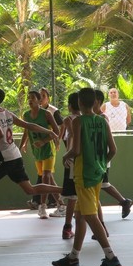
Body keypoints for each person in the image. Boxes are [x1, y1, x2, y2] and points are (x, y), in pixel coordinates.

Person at [0, 88, 62, 237]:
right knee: (30, 189)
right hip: (15, 156)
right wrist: (48, 131)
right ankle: (66, 189)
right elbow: (28, 125)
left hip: (3, 158)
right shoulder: (7, 113)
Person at [52, 87, 122, 266]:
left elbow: (75, 150)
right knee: (80, 215)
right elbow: (113, 150)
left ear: (80, 103)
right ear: (95, 103)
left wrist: (64, 156)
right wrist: (101, 163)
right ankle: (73, 258)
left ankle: (110, 257)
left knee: (90, 215)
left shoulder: (79, 122)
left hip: (83, 174)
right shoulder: (102, 120)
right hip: (98, 172)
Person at [19, 90, 61, 219]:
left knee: (46, 176)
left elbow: (56, 130)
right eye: (29, 98)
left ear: (39, 101)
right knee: (48, 178)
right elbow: (27, 130)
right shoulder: (26, 115)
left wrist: (44, 141)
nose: (30, 100)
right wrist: (23, 144)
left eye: (33, 98)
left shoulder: (47, 114)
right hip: (36, 150)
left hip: (48, 148)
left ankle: (42, 206)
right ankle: (62, 204)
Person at [94, 89, 133, 220]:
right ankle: (124, 202)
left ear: (97, 102)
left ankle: (95, 218)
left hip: (101, 156)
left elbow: (111, 146)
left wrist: (104, 160)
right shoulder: (91, 117)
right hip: (95, 156)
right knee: (103, 184)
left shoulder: (102, 118)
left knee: (100, 184)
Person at [58, 93, 80, 239]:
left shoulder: (69, 119)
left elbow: (71, 136)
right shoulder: (87, 119)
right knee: (80, 194)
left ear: (70, 105)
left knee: (73, 196)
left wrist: (68, 154)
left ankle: (68, 227)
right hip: (82, 159)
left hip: (73, 158)